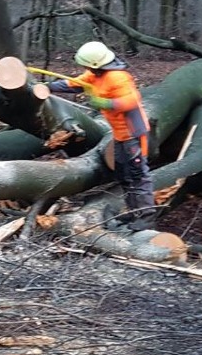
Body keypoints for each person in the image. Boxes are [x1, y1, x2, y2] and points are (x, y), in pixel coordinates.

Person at [48, 41, 155, 229]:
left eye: (86, 65)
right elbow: (75, 84)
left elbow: (131, 100)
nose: (84, 68)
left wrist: (106, 104)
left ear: (96, 63)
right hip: (119, 134)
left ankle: (146, 216)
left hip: (133, 133)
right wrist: (48, 86)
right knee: (123, 174)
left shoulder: (118, 77)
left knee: (138, 174)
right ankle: (133, 213)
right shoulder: (94, 74)